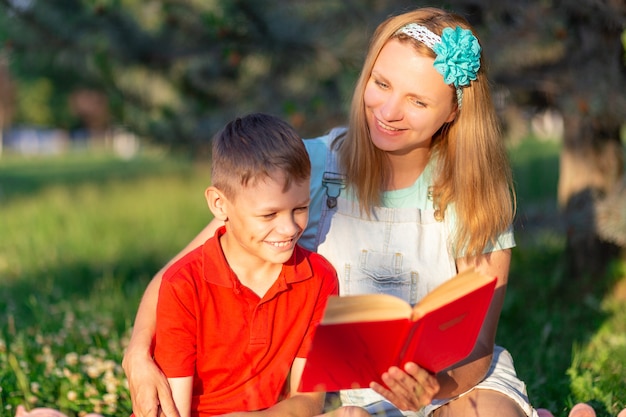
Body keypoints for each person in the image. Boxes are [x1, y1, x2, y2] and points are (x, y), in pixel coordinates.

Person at [123, 7, 538, 417]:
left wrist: (433, 389)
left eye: (417, 101)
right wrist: (138, 355)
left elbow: (479, 346)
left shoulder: (475, 190)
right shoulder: (310, 165)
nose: (388, 111)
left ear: (452, 112)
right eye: (381, 83)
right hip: (338, 396)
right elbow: (182, 273)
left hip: (452, 384)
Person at [145, 113, 339, 417]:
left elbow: (310, 401)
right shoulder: (183, 284)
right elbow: (175, 412)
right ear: (220, 205)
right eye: (269, 215)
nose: (289, 228)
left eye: (300, 208)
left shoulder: (320, 278)